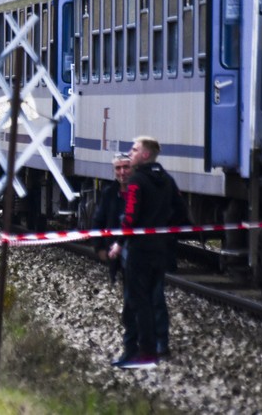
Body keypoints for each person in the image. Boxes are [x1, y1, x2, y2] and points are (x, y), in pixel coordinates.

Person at [109, 136, 189, 369]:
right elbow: (182, 212)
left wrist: (120, 242)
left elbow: (131, 216)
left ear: (145, 155)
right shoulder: (167, 179)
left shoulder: (136, 181)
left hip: (139, 252)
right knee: (155, 299)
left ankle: (143, 354)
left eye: (134, 150)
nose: (130, 153)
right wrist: (164, 231)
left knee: (138, 303)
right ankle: (153, 348)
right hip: (160, 250)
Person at [92, 153, 170, 367]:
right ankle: (135, 348)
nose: (122, 172)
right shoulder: (110, 194)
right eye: (118, 168)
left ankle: (157, 344)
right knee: (132, 304)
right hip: (126, 259)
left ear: (133, 169)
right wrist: (99, 247)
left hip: (147, 254)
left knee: (154, 299)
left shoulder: (143, 191)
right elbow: (99, 220)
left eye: (126, 167)